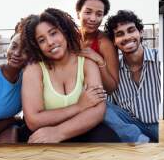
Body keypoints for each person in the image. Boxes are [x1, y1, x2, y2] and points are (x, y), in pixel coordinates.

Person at [20, 8, 118, 143]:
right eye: (41, 40)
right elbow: (33, 120)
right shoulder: (34, 69)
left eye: (53, 33)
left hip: (83, 128)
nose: (50, 42)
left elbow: (98, 111)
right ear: (37, 46)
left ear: (64, 32)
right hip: (44, 133)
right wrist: (79, 106)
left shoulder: (87, 63)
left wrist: (58, 132)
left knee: (107, 138)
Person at [103, 10, 161, 142]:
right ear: (114, 41)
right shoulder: (113, 68)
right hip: (132, 126)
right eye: (119, 34)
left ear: (140, 32)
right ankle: (137, 138)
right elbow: (110, 106)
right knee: (97, 101)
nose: (127, 37)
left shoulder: (159, 60)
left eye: (131, 30)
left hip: (159, 125)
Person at [76, 0, 119, 94]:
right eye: (88, 12)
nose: (93, 19)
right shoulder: (69, 37)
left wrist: (99, 60)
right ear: (78, 14)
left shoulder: (104, 43)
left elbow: (111, 88)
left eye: (99, 14)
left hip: (95, 99)